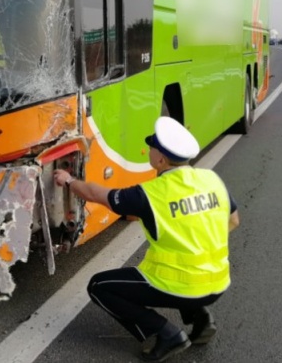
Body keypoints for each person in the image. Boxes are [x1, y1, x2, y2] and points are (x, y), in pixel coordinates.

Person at [52, 116, 240, 362]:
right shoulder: (211, 180)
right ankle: (201, 320)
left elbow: (100, 195)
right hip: (218, 283)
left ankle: (165, 334)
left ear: (160, 159)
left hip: (181, 287)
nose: (148, 149)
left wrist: (69, 181)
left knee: (98, 287)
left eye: (151, 146)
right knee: (186, 273)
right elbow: (234, 220)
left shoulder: (150, 194)